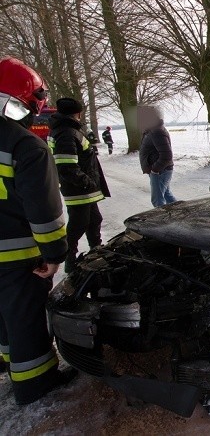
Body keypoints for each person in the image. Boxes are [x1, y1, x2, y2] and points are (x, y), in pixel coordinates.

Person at [0, 57, 77, 404]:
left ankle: (6, 361)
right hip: (16, 259)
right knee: (24, 318)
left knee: (2, 318)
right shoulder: (24, 145)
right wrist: (54, 254)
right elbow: (44, 213)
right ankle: (35, 382)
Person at [48, 97, 110, 273]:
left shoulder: (67, 130)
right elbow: (67, 166)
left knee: (94, 220)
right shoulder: (66, 132)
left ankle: (97, 253)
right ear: (77, 113)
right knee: (78, 225)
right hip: (79, 190)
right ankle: (70, 262)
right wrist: (87, 183)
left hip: (83, 190)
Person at [138, 105, 176, 207]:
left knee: (158, 202)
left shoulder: (157, 131)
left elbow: (167, 155)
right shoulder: (151, 130)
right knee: (167, 196)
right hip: (161, 171)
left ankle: (164, 222)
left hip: (160, 171)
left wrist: (155, 170)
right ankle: (183, 216)